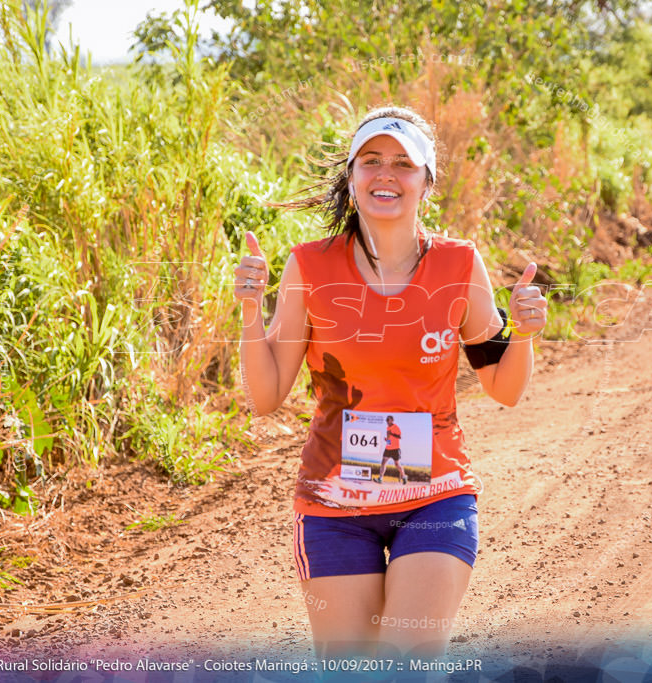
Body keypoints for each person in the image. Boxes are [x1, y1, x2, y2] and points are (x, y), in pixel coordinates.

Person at [232, 106, 547, 659]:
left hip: (435, 498)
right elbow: (265, 397)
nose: (386, 174)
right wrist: (251, 312)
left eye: (404, 163)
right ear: (351, 178)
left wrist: (521, 333)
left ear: (427, 181)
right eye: (371, 160)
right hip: (334, 507)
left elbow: (504, 386)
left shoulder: (458, 265)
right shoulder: (310, 266)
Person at [376, 415, 407, 484]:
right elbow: (389, 438)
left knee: (397, 464)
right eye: (386, 420)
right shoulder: (387, 428)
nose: (386, 421)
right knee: (383, 462)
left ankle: (404, 477)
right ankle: (380, 478)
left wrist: (392, 434)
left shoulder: (396, 427)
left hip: (395, 449)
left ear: (392, 420)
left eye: (388, 419)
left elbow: (399, 436)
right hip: (388, 448)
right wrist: (387, 440)